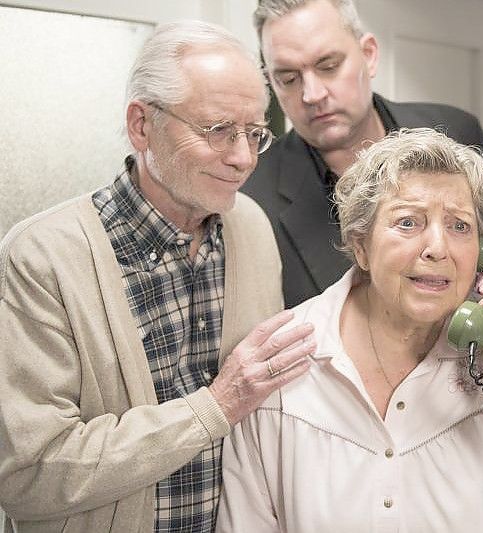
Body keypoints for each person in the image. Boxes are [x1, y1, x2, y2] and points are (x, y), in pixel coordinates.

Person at [0, 20, 316, 533]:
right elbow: (28, 475)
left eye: (254, 135)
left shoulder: (252, 229)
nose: (241, 159)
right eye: (217, 131)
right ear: (142, 125)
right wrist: (216, 406)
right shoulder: (42, 257)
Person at [216, 128, 483, 533]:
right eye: (408, 222)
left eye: (460, 226)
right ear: (361, 246)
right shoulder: (282, 360)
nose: (438, 248)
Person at [242, 0, 483, 309]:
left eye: (328, 66)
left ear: (369, 55)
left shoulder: (457, 132)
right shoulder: (250, 196)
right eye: (288, 79)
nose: (312, 94)